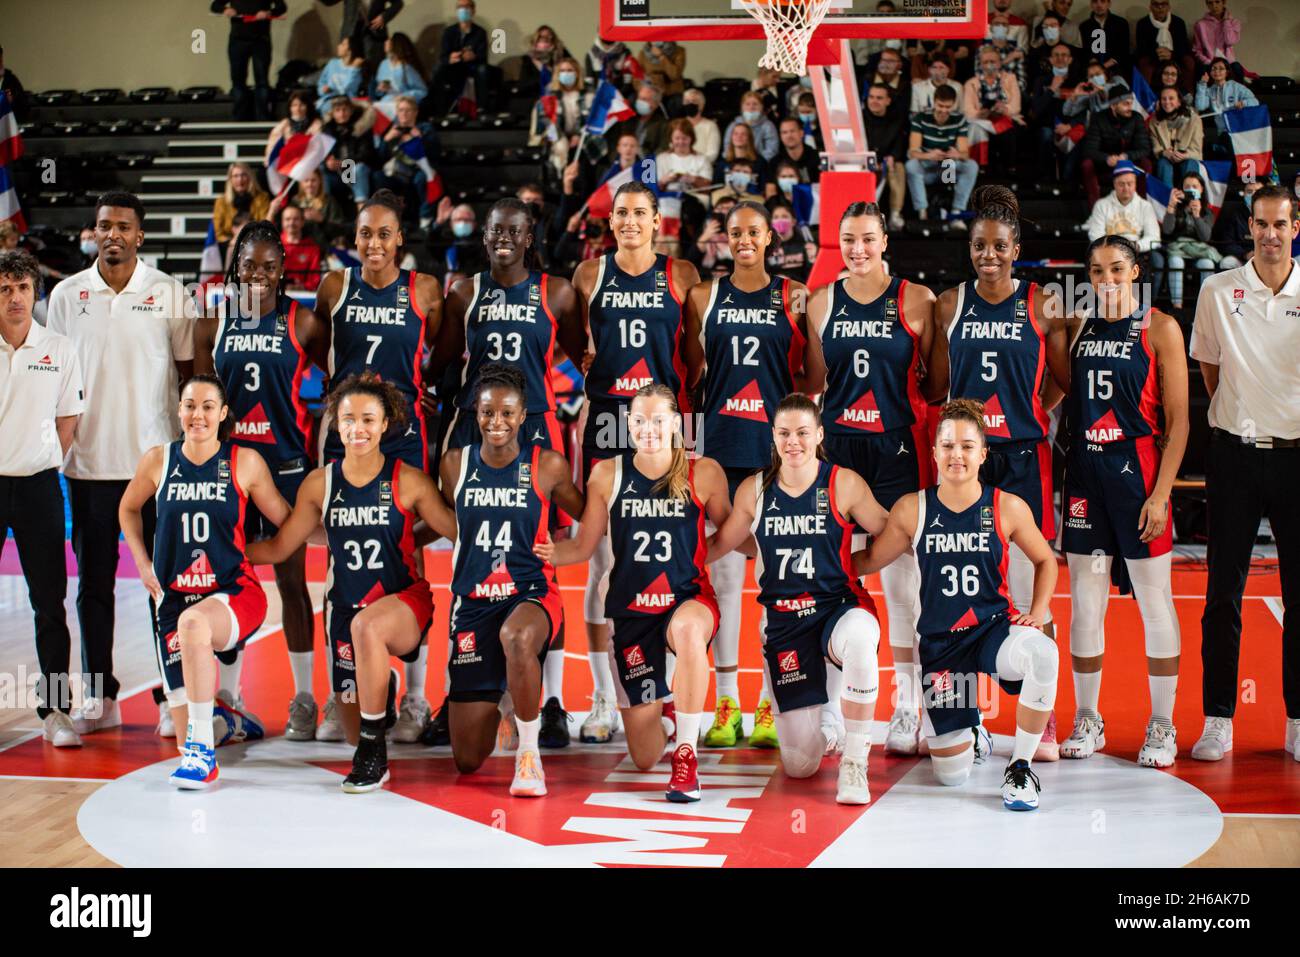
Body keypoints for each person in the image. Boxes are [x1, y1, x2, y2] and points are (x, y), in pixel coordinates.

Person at [247, 375, 456, 789]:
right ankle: (382, 684)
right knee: (347, 723)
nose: (356, 428)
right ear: (335, 425)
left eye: (367, 419)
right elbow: (278, 548)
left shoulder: (409, 480)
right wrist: (227, 553)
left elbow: (456, 530)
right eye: (347, 420)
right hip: (345, 614)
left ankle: (373, 754)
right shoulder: (320, 484)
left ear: (384, 424)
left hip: (403, 606)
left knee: (369, 634)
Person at [855, 399, 1060, 810]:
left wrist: (1037, 613)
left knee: (1043, 654)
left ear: (983, 453)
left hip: (991, 632)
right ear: (934, 453)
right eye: (947, 446)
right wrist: (823, 558)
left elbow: (1045, 561)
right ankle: (973, 727)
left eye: (967, 446)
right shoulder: (913, 508)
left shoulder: (1007, 506)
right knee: (951, 777)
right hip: (941, 647)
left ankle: (1020, 767)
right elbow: (870, 560)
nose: (957, 455)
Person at [429, 198, 583, 742]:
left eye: (513, 231)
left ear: (529, 236)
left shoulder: (557, 291)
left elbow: (584, 355)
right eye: (495, 230)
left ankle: (555, 700)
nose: (502, 238)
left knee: (543, 558)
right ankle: (469, 683)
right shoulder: (465, 292)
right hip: (479, 425)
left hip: (537, 427)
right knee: (472, 545)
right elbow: (444, 360)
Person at [927, 185, 1071, 759]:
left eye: (1000, 246)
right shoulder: (949, 304)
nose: (989, 255)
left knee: (1029, 578)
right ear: (970, 249)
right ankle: (971, 714)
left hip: (1021, 455)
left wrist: (1034, 411)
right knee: (965, 581)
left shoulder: (1044, 302)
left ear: (1017, 248)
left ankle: (1045, 714)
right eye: (980, 246)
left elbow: (1059, 379)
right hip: (966, 460)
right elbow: (938, 386)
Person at [46, 191, 195, 738]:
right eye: (104, 225)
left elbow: (188, 375)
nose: (112, 234)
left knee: (163, 584)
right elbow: (55, 379)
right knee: (94, 587)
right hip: (86, 467)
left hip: (155, 467)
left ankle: (168, 693)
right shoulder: (65, 295)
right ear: (94, 232)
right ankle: (100, 695)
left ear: (139, 235)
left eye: (123, 226)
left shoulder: (170, 293)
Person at [535, 384, 730, 801]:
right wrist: (542, 554)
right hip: (630, 613)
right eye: (639, 421)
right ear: (628, 424)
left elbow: (732, 529)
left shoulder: (704, 472)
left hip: (686, 599)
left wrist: (721, 548)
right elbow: (585, 546)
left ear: (677, 424)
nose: (648, 429)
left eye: (659, 420)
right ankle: (667, 709)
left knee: (691, 633)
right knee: (643, 757)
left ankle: (686, 756)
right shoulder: (607, 474)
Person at [804, 202, 938, 754]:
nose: (857, 250)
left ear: (885, 240)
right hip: (838, 449)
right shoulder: (820, 303)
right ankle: (831, 710)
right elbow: (814, 383)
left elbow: (933, 386)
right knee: (833, 579)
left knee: (904, 585)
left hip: (897, 450)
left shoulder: (917, 300)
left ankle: (907, 708)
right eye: (847, 241)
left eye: (866, 239)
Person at [707, 394, 887, 802]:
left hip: (838, 608)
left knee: (859, 638)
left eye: (803, 433)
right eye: (785, 433)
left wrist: (857, 562)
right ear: (773, 436)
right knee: (800, 766)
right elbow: (725, 541)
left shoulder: (843, 481)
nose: (794, 442)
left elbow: (888, 528)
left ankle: (855, 761)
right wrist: (682, 560)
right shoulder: (755, 490)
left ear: (819, 434)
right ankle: (828, 720)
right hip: (785, 622)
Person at [571, 182, 702, 743]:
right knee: (605, 566)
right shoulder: (588, 275)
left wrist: (675, 418)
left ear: (657, 221)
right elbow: (580, 349)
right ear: (612, 221)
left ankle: (668, 693)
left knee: (674, 564)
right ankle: (604, 697)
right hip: (607, 422)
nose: (629, 221)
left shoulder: (684, 275)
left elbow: (694, 359)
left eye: (639, 214)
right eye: (620, 213)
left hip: (672, 424)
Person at [681, 201, 812, 750]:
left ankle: (767, 702)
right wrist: (690, 455)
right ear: (723, 238)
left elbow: (809, 375)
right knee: (728, 582)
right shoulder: (702, 297)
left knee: (776, 581)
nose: (742, 241)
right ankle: (727, 702)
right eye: (734, 233)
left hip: (776, 453)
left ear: (769, 237)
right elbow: (689, 378)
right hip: (722, 449)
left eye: (753, 233)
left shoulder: (795, 295)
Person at [313, 190, 443, 738]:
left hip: (404, 437)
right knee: (341, 557)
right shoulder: (334, 286)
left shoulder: (425, 290)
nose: (373, 243)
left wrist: (422, 395)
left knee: (407, 555)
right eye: (365, 233)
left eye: (384, 234)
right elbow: (318, 350)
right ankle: (343, 686)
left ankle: (414, 697)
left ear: (400, 241)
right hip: (347, 435)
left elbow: (440, 353)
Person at [194, 221, 331, 740]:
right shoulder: (212, 324)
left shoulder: (305, 323)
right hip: (231, 470)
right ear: (235, 267)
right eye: (249, 264)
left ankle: (303, 699)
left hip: (288, 468)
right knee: (228, 581)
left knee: (293, 583)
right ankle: (229, 697)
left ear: (282, 271)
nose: (259, 275)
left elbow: (341, 379)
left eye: (270, 266)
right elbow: (204, 401)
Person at [119, 375, 287, 787]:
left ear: (223, 414)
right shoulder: (158, 460)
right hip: (172, 599)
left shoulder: (244, 461)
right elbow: (127, 510)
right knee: (184, 723)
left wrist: (320, 535)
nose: (198, 414)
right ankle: (225, 724)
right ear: (178, 411)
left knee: (194, 625)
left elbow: (286, 520)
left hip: (233, 593)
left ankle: (202, 758)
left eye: (208, 406)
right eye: (190, 405)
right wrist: (142, 564)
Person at [1060, 235, 1188, 766]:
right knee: (1086, 604)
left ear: (1136, 272)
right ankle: (1088, 718)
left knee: (1154, 603)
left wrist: (1161, 494)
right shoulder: (1077, 326)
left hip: (1138, 474)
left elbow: (1179, 422)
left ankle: (1163, 725)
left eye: (1117, 269)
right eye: (1096, 270)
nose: (1106, 279)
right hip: (1086, 475)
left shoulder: (1160, 328)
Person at [1187, 184, 1300, 764]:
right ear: (1250, 227)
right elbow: (1210, 368)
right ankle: (1218, 719)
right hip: (1234, 452)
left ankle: (1299, 719)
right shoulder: (1216, 289)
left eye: (1279, 224)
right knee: (1222, 594)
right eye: (1260, 224)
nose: (1269, 234)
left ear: (1295, 227)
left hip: (1296, 456)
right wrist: (1239, 417)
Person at [438, 364, 583, 794]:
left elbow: (587, 517)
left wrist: (567, 552)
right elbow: (445, 519)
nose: (495, 422)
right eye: (487, 413)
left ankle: (529, 754)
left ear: (523, 417)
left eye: (506, 413)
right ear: (475, 414)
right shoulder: (453, 465)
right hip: (472, 605)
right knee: (467, 759)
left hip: (531, 595)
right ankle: (507, 694)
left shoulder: (547, 465)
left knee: (518, 637)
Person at [0, 250, 84, 747]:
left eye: (22, 288)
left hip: (38, 486)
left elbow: (67, 422)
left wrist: (41, 456)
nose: (14, 297)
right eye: (5, 288)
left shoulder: (60, 348)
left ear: (36, 293)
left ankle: (55, 711)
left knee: (49, 602)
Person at [905, 85, 979, 227]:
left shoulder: (959, 120)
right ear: (934, 101)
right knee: (911, 165)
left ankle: (956, 213)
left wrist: (957, 154)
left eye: (948, 107)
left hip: (948, 168)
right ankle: (922, 213)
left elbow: (965, 153)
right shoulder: (920, 118)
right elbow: (912, 152)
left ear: (954, 105)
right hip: (928, 168)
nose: (944, 110)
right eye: (941, 105)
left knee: (971, 165)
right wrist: (929, 155)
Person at [1151, 171, 1219, 309]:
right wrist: (1171, 207)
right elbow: (1167, 231)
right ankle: (1177, 305)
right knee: (1175, 261)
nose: (1191, 189)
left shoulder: (1207, 211)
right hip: (1177, 249)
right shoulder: (1176, 207)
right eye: (1187, 186)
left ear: (1202, 189)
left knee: (1208, 264)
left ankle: (1205, 306)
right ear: (1181, 189)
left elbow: (1206, 237)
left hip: (1199, 250)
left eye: (1195, 186)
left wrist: (1197, 216)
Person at [211, 0, 285, 121]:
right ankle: (240, 119)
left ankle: (262, 118)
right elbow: (214, 5)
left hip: (261, 40)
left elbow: (282, 7)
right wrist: (225, 10)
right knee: (238, 82)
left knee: (261, 82)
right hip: (238, 40)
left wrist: (268, 12)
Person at [1080, 90, 1152, 207]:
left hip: (1129, 162)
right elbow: (1089, 149)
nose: (1130, 107)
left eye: (1131, 103)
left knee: (1146, 163)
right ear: (1113, 106)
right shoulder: (1098, 119)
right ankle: (1096, 209)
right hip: (1104, 164)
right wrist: (1107, 158)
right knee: (1087, 164)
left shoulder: (1137, 118)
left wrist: (1126, 156)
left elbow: (1145, 148)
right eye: (1125, 104)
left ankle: (1142, 206)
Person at [1029, 43, 1083, 183]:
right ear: (1051, 60)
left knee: (1080, 135)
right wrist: (1052, 89)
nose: (1060, 58)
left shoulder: (1078, 81)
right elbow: (1036, 109)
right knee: (1046, 135)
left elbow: (1085, 110)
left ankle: (1069, 179)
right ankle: (1045, 178)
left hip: (1070, 126)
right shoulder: (1040, 81)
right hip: (1047, 124)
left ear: (1070, 59)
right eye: (1056, 55)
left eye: (1064, 55)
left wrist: (1070, 125)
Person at [963, 46, 1023, 169]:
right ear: (980, 65)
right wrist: (979, 114)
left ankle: (1009, 168)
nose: (989, 65)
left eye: (993, 61)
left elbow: (1016, 106)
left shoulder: (1010, 79)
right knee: (976, 128)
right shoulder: (971, 83)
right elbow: (967, 110)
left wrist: (1005, 109)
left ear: (999, 63)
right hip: (982, 120)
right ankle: (979, 168)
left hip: (1006, 118)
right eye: (985, 62)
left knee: (1008, 129)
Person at [531, 57, 590, 178]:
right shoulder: (550, 92)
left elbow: (590, 117)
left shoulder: (588, 91)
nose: (566, 73)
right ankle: (559, 177)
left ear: (577, 73)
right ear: (557, 74)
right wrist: (558, 138)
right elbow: (545, 118)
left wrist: (578, 135)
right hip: (555, 131)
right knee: (560, 146)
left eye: (570, 70)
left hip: (582, 133)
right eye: (562, 71)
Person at [1084, 161, 1161, 253]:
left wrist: (1135, 246)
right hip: (1108, 253)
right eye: (1121, 184)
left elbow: (1154, 237)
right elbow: (1095, 235)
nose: (1126, 188)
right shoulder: (1101, 205)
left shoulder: (1145, 206)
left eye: (1130, 183)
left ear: (1135, 184)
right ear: (1114, 184)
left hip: (1136, 252)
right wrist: (1114, 249)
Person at [431, 0, 490, 116]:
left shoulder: (480, 32)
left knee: (483, 70)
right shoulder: (449, 32)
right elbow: (443, 56)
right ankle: (437, 109)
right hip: (454, 66)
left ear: (473, 10)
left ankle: (482, 108)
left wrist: (474, 56)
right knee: (438, 68)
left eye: (466, 7)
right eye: (460, 7)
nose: (462, 10)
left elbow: (483, 57)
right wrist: (450, 58)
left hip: (473, 66)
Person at [322, 96, 380, 209]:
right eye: (338, 110)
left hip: (356, 168)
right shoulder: (328, 130)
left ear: (351, 111)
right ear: (332, 113)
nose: (342, 113)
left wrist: (345, 163)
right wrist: (328, 162)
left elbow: (367, 154)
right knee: (320, 172)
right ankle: (327, 211)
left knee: (358, 169)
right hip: (338, 172)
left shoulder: (362, 127)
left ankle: (361, 207)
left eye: (345, 109)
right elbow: (323, 154)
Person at [863, 85, 907, 231]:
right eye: (871, 97)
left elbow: (899, 145)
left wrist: (892, 157)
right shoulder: (859, 118)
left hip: (886, 163)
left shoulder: (896, 119)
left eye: (879, 98)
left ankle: (895, 214)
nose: (874, 101)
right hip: (864, 162)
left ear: (888, 101)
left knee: (898, 167)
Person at [324, 0, 405, 68]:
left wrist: (384, 17)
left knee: (373, 67)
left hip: (374, 35)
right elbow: (329, 1)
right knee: (349, 69)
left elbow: (398, 3)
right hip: (351, 34)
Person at [1150, 86, 1204, 188]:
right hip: (1166, 157)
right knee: (1163, 164)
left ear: (1179, 102)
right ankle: (1168, 200)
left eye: (1171, 98)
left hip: (1187, 157)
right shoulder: (1154, 121)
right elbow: (1156, 147)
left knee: (1190, 163)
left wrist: (1184, 155)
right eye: (1163, 99)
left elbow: (1197, 151)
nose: (1167, 102)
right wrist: (1164, 152)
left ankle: (1189, 198)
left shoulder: (1194, 120)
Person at [1135, 0, 1195, 86]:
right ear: (1150, 7)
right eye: (1156, 4)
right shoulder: (1143, 23)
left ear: (1169, 7)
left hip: (1175, 56)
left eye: (1163, 4)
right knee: (1144, 63)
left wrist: (1171, 54)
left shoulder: (1178, 22)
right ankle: (1146, 96)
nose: (1160, 7)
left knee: (1189, 62)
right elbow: (1142, 48)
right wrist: (1158, 53)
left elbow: (1183, 47)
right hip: (1153, 57)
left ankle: (1188, 94)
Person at [213, 163, 270, 247]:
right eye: (235, 176)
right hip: (230, 245)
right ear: (230, 180)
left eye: (243, 175)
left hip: (256, 244)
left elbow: (264, 224)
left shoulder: (262, 198)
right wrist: (232, 242)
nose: (240, 179)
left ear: (250, 178)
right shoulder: (221, 202)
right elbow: (218, 233)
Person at [264, 91, 322, 168]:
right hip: (288, 162)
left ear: (308, 106)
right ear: (290, 108)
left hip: (309, 161)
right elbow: (272, 147)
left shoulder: (316, 124)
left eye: (302, 105)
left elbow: (318, 146)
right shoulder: (283, 125)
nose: (298, 108)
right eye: (294, 105)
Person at [656, 120, 713, 194]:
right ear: (671, 139)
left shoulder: (702, 159)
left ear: (691, 139)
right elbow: (652, 189)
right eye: (677, 138)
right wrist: (663, 181)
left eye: (684, 138)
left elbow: (708, 189)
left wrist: (693, 180)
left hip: (694, 198)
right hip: (668, 198)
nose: (681, 142)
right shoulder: (661, 159)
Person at [765, 200, 815, 283]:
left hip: (800, 289)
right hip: (774, 291)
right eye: (776, 217)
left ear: (793, 221)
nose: (780, 220)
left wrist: (812, 259)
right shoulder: (766, 247)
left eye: (784, 216)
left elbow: (811, 275)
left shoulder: (806, 245)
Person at [1080, 0, 1132, 80]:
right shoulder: (1084, 26)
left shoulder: (1121, 23)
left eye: (1103, 1)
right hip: (1093, 68)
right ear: (1091, 4)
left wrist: (1105, 66)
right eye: (1095, 2)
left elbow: (1123, 50)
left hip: (1117, 67)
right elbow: (1085, 50)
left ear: (1109, 3)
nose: (1099, 5)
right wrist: (1096, 66)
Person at [372, 32, 427, 106]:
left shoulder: (406, 67)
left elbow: (422, 91)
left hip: (404, 106)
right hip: (386, 103)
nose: (385, 42)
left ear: (396, 44)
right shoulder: (383, 64)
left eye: (389, 40)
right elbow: (378, 92)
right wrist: (381, 89)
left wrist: (403, 96)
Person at [724, 92, 780, 164]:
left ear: (761, 107)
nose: (751, 107)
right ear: (742, 107)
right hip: (735, 163)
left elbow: (772, 150)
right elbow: (727, 148)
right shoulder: (733, 125)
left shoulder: (768, 126)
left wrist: (757, 163)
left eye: (755, 104)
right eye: (747, 104)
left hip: (760, 164)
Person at [317, 35, 367, 115]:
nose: (338, 46)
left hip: (348, 103)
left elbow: (346, 88)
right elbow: (321, 82)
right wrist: (323, 89)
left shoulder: (357, 69)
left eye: (343, 44)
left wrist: (353, 69)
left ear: (350, 50)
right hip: (328, 100)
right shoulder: (332, 63)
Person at [1192, 0, 1243, 79]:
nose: (1214, 6)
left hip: (1228, 63)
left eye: (1217, 2)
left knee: (1237, 68)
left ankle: (1240, 90)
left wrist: (1226, 21)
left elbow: (1230, 41)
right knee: (1200, 69)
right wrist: (1208, 61)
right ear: (1207, 4)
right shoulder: (1200, 24)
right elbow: (1197, 49)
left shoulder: (1234, 22)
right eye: (1210, 3)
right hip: (1209, 62)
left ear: (1224, 2)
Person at [277, 205, 323, 292]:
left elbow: (315, 279)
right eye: (287, 219)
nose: (291, 223)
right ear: (282, 222)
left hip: (303, 296)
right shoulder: (273, 245)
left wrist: (302, 287)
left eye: (296, 219)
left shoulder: (312, 248)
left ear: (303, 222)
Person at [911, 52, 963, 118]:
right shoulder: (918, 87)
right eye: (934, 67)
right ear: (929, 70)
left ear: (948, 69)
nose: (938, 71)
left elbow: (961, 112)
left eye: (941, 67)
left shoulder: (958, 87)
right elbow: (914, 113)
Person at [716, 124, 767, 190]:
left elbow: (763, 188)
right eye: (735, 134)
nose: (739, 137)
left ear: (749, 138)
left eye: (743, 134)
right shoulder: (723, 163)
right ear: (731, 137)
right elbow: (717, 187)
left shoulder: (760, 162)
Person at [518, 25, 567, 94]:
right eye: (541, 39)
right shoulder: (528, 59)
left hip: (560, 95)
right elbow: (524, 85)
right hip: (537, 97)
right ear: (535, 43)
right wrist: (543, 72)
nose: (544, 42)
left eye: (548, 39)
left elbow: (571, 73)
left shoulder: (562, 54)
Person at [681, 88, 721, 166]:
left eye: (694, 101)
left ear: (701, 106)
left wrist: (696, 164)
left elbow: (713, 153)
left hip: (702, 167)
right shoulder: (678, 125)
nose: (690, 104)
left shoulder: (711, 126)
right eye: (687, 101)